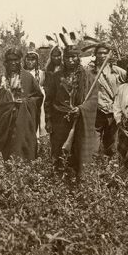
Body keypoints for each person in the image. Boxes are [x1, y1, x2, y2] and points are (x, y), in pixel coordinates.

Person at [44, 46, 99, 181]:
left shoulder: (88, 76)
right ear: (64, 59)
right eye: (68, 57)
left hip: (80, 120)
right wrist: (48, 120)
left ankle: (79, 180)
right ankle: (59, 180)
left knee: (78, 150)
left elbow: (93, 99)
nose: (70, 60)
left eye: (73, 57)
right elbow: (49, 100)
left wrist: (81, 108)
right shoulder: (56, 77)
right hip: (59, 120)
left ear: (78, 58)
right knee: (59, 150)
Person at [0, 47, 44, 161]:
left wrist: (25, 103)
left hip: (24, 120)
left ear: (20, 60)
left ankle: (25, 173)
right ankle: (11, 174)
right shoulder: (0, 80)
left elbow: (38, 97)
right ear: (6, 62)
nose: (13, 62)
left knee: (24, 148)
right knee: (8, 151)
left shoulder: (28, 78)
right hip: (5, 122)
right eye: (10, 60)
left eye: (16, 59)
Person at [89, 44, 126, 158]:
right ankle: (92, 169)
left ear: (109, 55)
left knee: (111, 143)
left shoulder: (116, 71)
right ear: (95, 55)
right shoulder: (90, 71)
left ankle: (110, 169)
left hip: (112, 110)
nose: (102, 55)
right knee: (93, 144)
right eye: (99, 53)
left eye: (105, 53)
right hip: (96, 110)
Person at [23, 50, 47, 136]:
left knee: (38, 117)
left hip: (37, 99)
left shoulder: (41, 73)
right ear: (25, 60)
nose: (30, 62)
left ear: (36, 61)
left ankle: (37, 137)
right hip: (25, 98)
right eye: (28, 59)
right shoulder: (21, 72)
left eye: (32, 60)